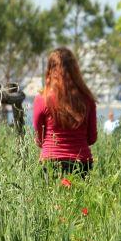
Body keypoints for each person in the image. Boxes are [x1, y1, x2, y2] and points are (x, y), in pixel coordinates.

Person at [33, 47, 97, 178]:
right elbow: (91, 138)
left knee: (51, 198)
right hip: (82, 164)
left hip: (50, 163)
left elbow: (40, 139)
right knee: (80, 199)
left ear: (50, 70)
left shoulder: (42, 99)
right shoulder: (87, 99)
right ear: (75, 71)